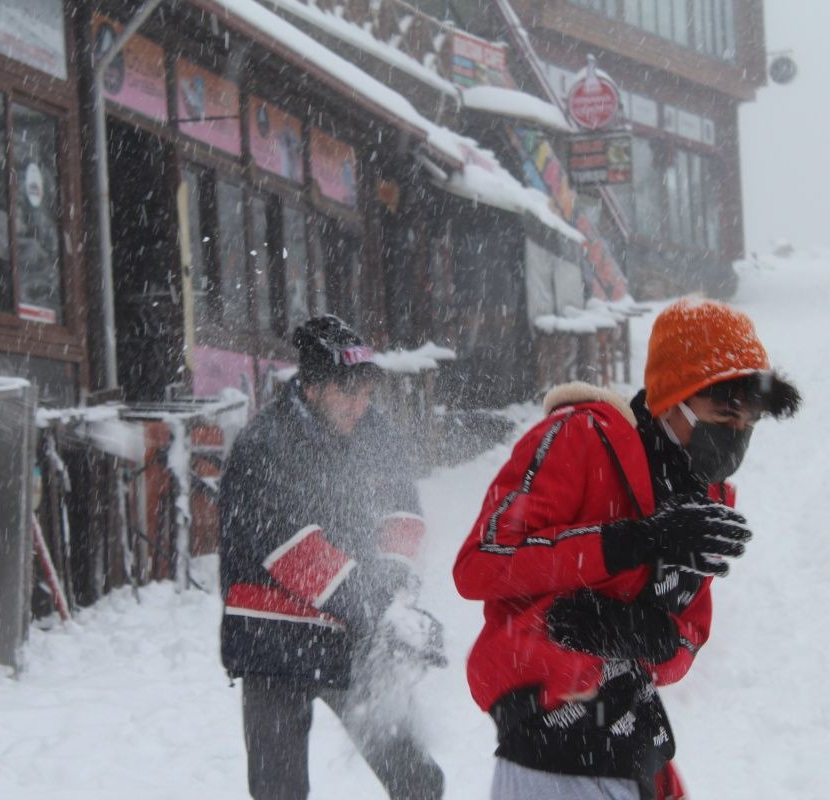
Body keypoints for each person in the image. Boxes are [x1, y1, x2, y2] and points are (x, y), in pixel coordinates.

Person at [453, 298, 800, 800]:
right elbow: (480, 566)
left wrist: (650, 639)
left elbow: (690, 636)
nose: (735, 435)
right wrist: (628, 543)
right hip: (548, 745)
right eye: (724, 414)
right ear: (670, 398)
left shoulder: (707, 498)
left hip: (634, 744)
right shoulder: (581, 438)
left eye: (748, 422)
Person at [220, 315, 445, 800]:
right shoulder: (263, 446)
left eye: (368, 394)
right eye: (349, 394)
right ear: (314, 388)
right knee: (279, 793)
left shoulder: (374, 431)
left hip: (352, 637)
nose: (361, 406)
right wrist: (379, 610)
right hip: (273, 642)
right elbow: (294, 552)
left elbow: (403, 514)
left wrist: (396, 592)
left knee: (418, 781)